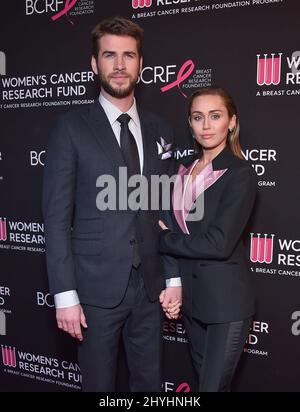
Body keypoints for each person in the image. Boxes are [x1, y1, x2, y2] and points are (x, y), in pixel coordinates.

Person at [42, 16, 181, 392]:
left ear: (140, 65)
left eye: (128, 56)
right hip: (93, 291)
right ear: (94, 64)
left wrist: (172, 276)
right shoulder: (71, 128)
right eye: (109, 55)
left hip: (149, 288)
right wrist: (65, 295)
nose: (119, 65)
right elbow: (55, 220)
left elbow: (165, 208)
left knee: (149, 383)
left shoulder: (160, 130)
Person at [159, 87, 257, 392]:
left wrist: (163, 240)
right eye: (198, 117)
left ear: (231, 122)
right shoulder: (180, 170)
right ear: (189, 123)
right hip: (192, 303)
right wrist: (173, 283)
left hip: (226, 305)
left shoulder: (241, 173)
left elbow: (219, 243)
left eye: (215, 116)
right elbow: (166, 221)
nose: (206, 125)